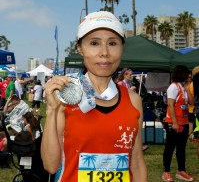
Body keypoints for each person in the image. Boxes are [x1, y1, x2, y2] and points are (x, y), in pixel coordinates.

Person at [41, 11, 148, 182]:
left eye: (112, 43)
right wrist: (52, 110)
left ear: (122, 48)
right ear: (80, 48)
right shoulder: (65, 98)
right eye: (94, 43)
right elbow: (50, 165)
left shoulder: (134, 101)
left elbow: (136, 161)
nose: (104, 52)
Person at [162, 65, 195, 182]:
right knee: (170, 148)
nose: (189, 76)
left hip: (184, 122)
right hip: (174, 123)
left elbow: (192, 102)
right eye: (187, 74)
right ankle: (166, 172)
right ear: (182, 74)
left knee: (181, 148)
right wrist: (175, 123)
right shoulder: (173, 87)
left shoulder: (183, 87)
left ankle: (181, 171)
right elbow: (170, 105)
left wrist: (187, 89)